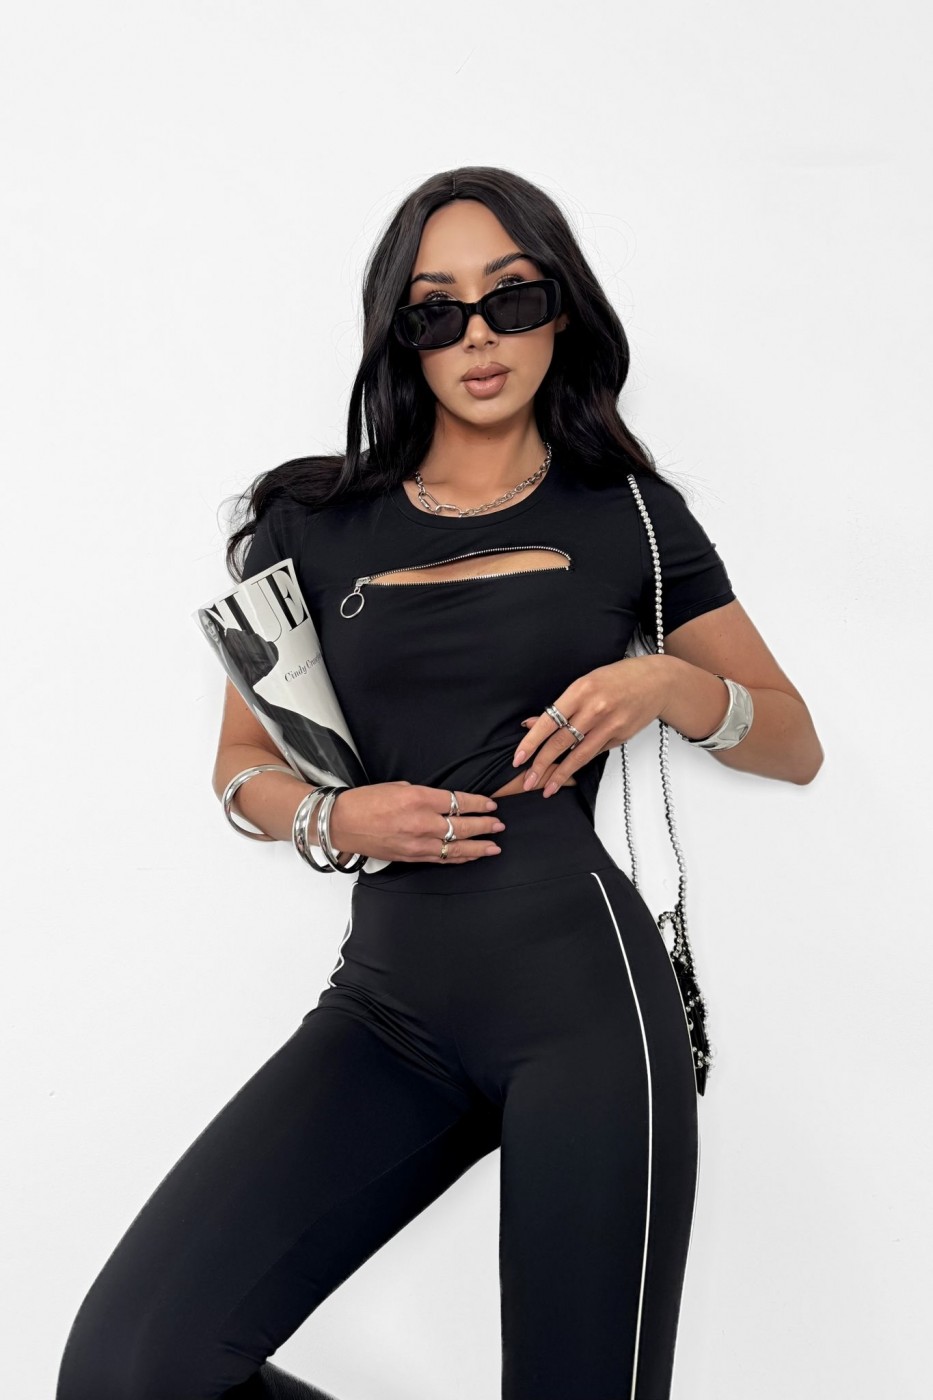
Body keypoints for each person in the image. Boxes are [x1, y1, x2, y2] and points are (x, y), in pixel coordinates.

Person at [56, 166, 823, 1400]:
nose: (477, 336)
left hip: (587, 1011)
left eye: (511, 299)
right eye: (436, 310)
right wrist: (333, 814)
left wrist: (670, 686)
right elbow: (241, 769)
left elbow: (793, 740)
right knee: (132, 1364)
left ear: (560, 310)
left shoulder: (628, 513)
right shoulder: (308, 521)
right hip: (389, 1011)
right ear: (399, 335)